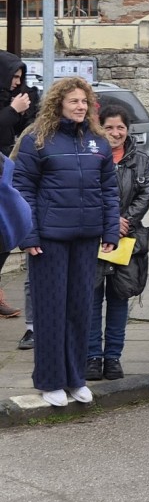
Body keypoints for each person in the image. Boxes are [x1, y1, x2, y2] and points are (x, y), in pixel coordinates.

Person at [13, 77, 119, 407]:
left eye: (84, 101)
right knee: (51, 312)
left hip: (86, 238)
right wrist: (28, 235)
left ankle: (75, 378)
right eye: (74, 101)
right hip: (49, 240)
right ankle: (50, 380)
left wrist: (110, 231)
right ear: (58, 103)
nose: (80, 106)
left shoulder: (98, 142)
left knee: (79, 310)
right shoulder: (36, 139)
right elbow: (23, 190)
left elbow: (109, 190)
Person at [86, 106, 149, 381]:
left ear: (128, 130)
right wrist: (107, 222)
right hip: (95, 238)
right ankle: (92, 357)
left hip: (127, 239)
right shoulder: (90, 156)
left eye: (120, 128)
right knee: (92, 299)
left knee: (119, 297)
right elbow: (85, 193)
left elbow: (145, 193)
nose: (115, 133)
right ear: (100, 128)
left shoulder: (141, 160)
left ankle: (113, 357)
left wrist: (124, 221)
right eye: (109, 128)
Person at [0, 51, 39, 318]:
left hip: (7, 170)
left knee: (9, 232)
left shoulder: (12, 96)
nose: (16, 82)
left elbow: (22, 130)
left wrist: (25, 110)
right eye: (14, 76)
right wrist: (13, 110)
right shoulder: (8, 103)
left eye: (20, 77)